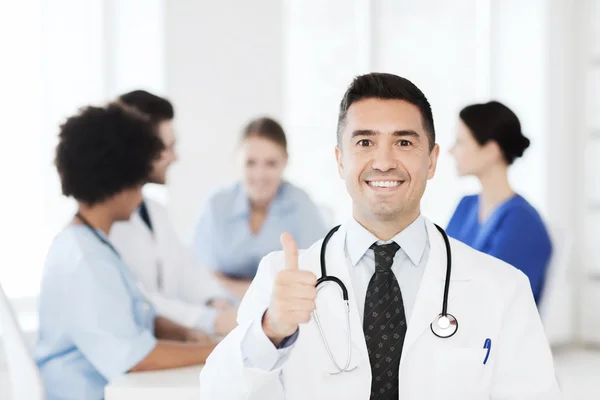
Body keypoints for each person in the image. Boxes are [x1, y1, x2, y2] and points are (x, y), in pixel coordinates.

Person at [198, 73, 560, 399]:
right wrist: (271, 330)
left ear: (432, 161)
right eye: (365, 143)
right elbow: (217, 391)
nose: (384, 161)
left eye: (403, 143)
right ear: (340, 160)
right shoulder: (280, 277)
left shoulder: (503, 288)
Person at [35, 103, 216, 400]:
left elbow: (135, 316)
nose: (140, 193)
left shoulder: (92, 245)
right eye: (139, 181)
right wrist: (219, 349)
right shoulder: (85, 261)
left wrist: (184, 333)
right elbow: (136, 358)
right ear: (117, 183)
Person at [109, 90, 237, 337]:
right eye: (168, 147)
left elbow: (185, 268)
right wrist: (210, 320)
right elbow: (136, 299)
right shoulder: (107, 223)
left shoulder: (155, 212)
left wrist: (215, 300)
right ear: (140, 149)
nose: (175, 157)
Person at [192, 117, 327, 299]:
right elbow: (200, 275)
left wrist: (230, 284)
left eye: (270, 164)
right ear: (236, 158)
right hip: (224, 309)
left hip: (286, 309)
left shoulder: (301, 204)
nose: (260, 175)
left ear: (285, 161)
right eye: (251, 163)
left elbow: (316, 274)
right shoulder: (217, 205)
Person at [446, 101, 552, 304]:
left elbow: (494, 298)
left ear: (491, 150)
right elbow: (439, 267)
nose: (451, 150)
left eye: (460, 142)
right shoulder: (466, 206)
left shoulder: (522, 222)